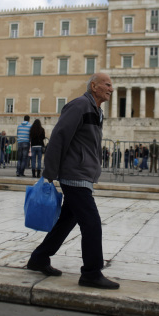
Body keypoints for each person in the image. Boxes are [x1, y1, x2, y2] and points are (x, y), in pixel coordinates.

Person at [27, 72, 119, 290]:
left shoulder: (96, 111)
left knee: (67, 220)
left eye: (111, 85)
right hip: (74, 174)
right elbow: (60, 136)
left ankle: (39, 258)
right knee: (92, 223)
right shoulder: (79, 106)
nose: (111, 89)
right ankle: (91, 272)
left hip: (83, 173)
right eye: (107, 84)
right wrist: (49, 172)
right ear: (94, 86)